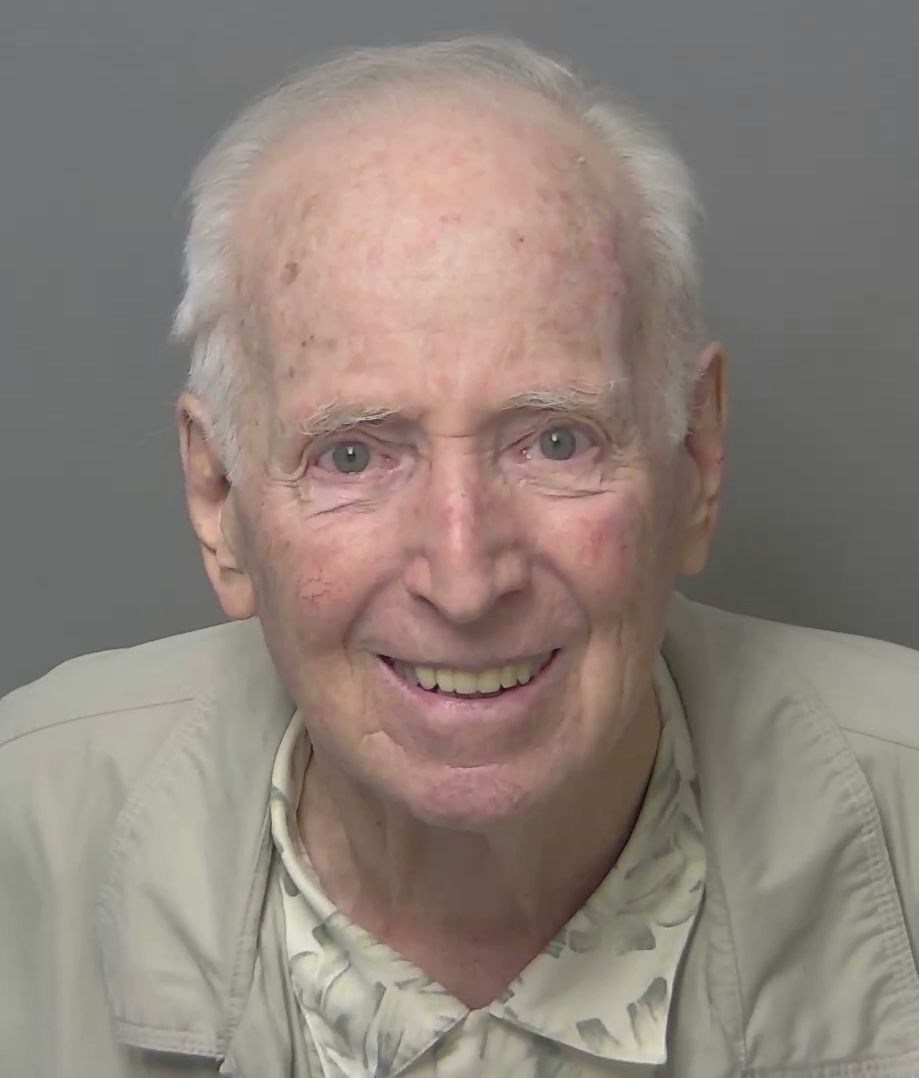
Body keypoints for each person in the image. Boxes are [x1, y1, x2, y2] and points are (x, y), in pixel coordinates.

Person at [1, 36, 917, 1078]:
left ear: (695, 459)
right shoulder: (21, 832)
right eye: (353, 454)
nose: (464, 576)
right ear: (219, 501)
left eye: (556, 440)